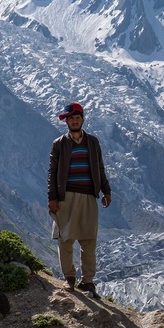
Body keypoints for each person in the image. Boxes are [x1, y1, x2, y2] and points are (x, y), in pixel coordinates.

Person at [47, 101, 112, 296]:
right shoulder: (59, 144)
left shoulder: (93, 142)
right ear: (66, 121)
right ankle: (69, 278)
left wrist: (106, 190)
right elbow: (52, 172)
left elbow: (99, 168)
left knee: (88, 241)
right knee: (65, 240)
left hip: (88, 196)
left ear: (82, 119)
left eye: (77, 118)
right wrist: (52, 197)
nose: (74, 121)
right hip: (65, 197)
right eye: (71, 118)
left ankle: (88, 282)